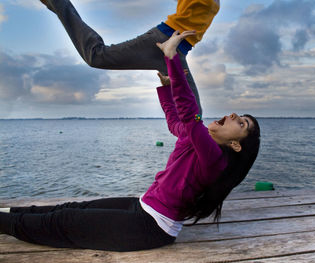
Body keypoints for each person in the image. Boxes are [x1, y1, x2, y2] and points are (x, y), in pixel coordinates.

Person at [0, 31, 260, 252]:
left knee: (63, 221)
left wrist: (172, 59)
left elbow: (190, 115)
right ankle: (11, 213)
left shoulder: (214, 160)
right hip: (142, 205)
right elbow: (176, 122)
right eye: (239, 115)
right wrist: (167, 89)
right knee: (72, 207)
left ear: (236, 145)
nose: (234, 115)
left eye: (242, 123)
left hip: (153, 227)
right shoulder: (196, 138)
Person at [38, 0, 221, 114]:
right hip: (164, 39)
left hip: (178, 52)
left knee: (195, 114)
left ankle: (196, 170)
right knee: (97, 56)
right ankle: (58, 2)